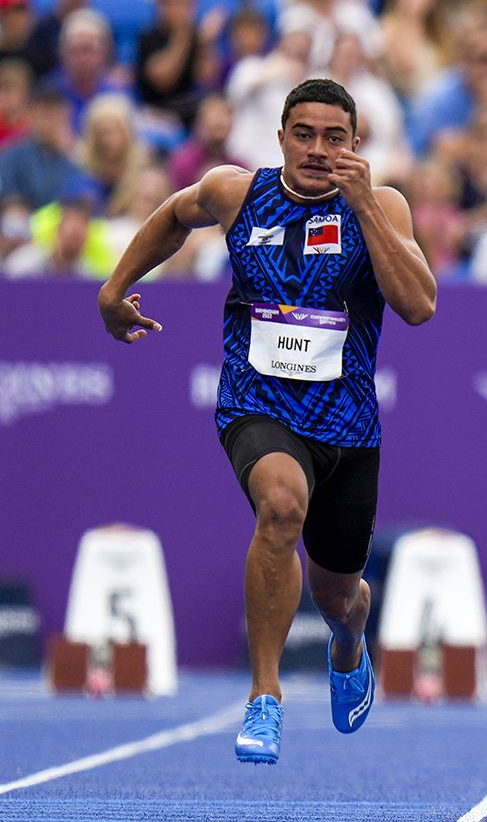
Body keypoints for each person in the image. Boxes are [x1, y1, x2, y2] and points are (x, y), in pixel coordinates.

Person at [94, 78, 438, 764]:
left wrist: (365, 203)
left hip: (347, 426)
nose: (318, 149)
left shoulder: (381, 204)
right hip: (258, 405)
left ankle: (348, 642)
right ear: (280, 135)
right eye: (304, 133)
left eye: (334, 137)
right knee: (280, 507)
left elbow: (419, 304)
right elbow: (173, 214)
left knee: (338, 594)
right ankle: (265, 696)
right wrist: (113, 287)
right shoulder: (236, 192)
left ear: (355, 144)